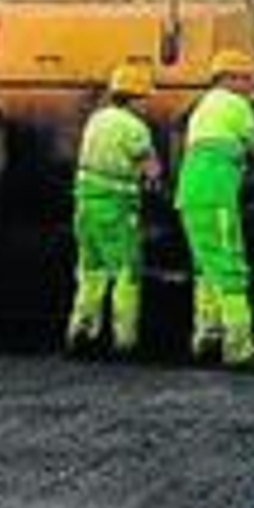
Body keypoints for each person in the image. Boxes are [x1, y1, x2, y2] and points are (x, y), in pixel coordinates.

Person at [175, 49, 254, 367]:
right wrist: (252, 149)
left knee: (206, 267)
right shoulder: (235, 104)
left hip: (190, 194)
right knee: (231, 269)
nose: (250, 87)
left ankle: (207, 338)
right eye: (247, 79)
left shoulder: (204, 105)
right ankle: (240, 349)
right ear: (231, 78)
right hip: (216, 194)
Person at [66, 64, 161, 358]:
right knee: (126, 272)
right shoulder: (134, 128)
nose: (147, 104)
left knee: (91, 271)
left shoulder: (97, 119)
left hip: (84, 204)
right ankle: (124, 341)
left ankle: (81, 331)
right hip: (116, 208)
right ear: (136, 97)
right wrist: (155, 179)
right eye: (145, 98)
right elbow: (151, 169)